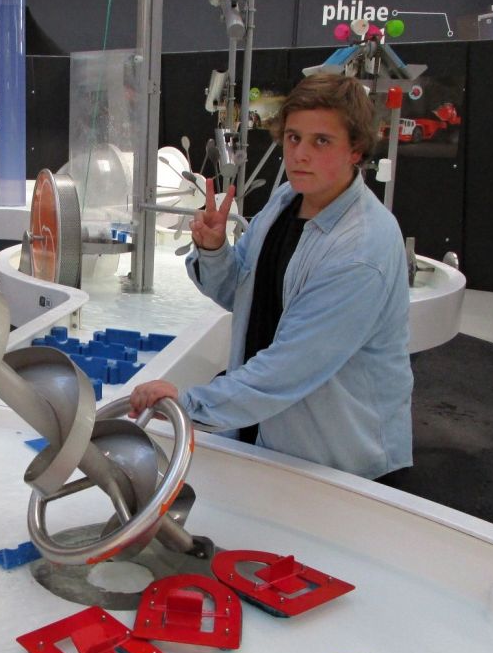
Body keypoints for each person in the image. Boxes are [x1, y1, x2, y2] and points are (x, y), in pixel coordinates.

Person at [128, 72, 412, 481]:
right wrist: (214, 250)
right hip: (272, 439)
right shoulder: (287, 200)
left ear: (356, 150)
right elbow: (240, 292)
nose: (300, 155)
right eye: (294, 138)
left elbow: (290, 368)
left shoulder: (361, 251)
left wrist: (189, 403)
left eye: (321, 141)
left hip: (339, 467)